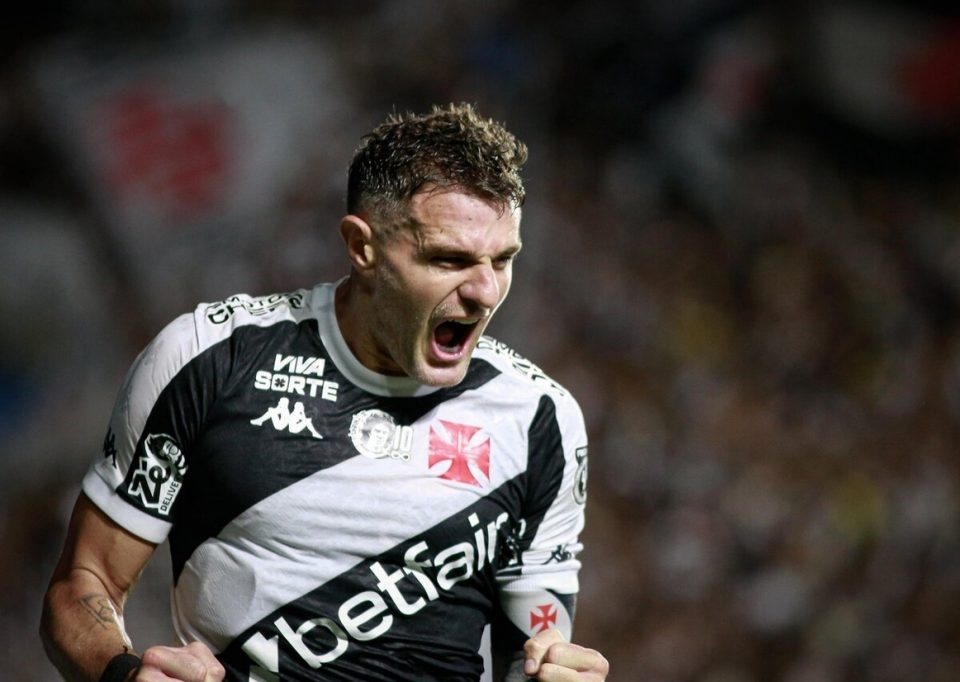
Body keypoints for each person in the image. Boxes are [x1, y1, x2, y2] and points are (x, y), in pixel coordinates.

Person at [40, 103, 609, 682]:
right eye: (449, 259)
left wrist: (557, 671)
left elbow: (535, 648)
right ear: (362, 247)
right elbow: (84, 584)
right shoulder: (208, 361)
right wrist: (125, 675)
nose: (485, 292)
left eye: (503, 259)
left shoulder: (539, 420)